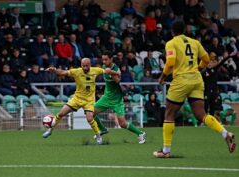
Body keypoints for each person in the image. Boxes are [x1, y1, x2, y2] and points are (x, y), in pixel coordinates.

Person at [153, 21, 236, 158]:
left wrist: (163, 77)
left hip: (181, 80)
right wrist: (197, 68)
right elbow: (206, 58)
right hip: (197, 80)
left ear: (173, 31)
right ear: (185, 30)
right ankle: (225, 133)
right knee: (201, 115)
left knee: (169, 114)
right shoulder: (195, 42)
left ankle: (166, 150)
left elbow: (171, 62)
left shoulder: (171, 43)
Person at [42, 58, 120, 144]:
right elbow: (63, 72)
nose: (85, 68)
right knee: (61, 113)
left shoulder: (96, 70)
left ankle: (98, 135)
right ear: (81, 65)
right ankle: (50, 130)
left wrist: (117, 73)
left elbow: (107, 71)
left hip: (89, 101)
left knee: (90, 119)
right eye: (83, 66)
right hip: (77, 98)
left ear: (90, 65)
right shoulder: (77, 71)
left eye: (87, 66)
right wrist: (55, 70)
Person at [93, 51, 146, 144]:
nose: (104, 62)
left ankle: (140, 133)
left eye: (106, 60)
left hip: (117, 100)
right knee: (91, 113)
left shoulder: (116, 69)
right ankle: (103, 129)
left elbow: (117, 80)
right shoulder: (104, 67)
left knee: (122, 124)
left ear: (111, 59)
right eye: (103, 60)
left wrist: (112, 74)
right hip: (106, 98)